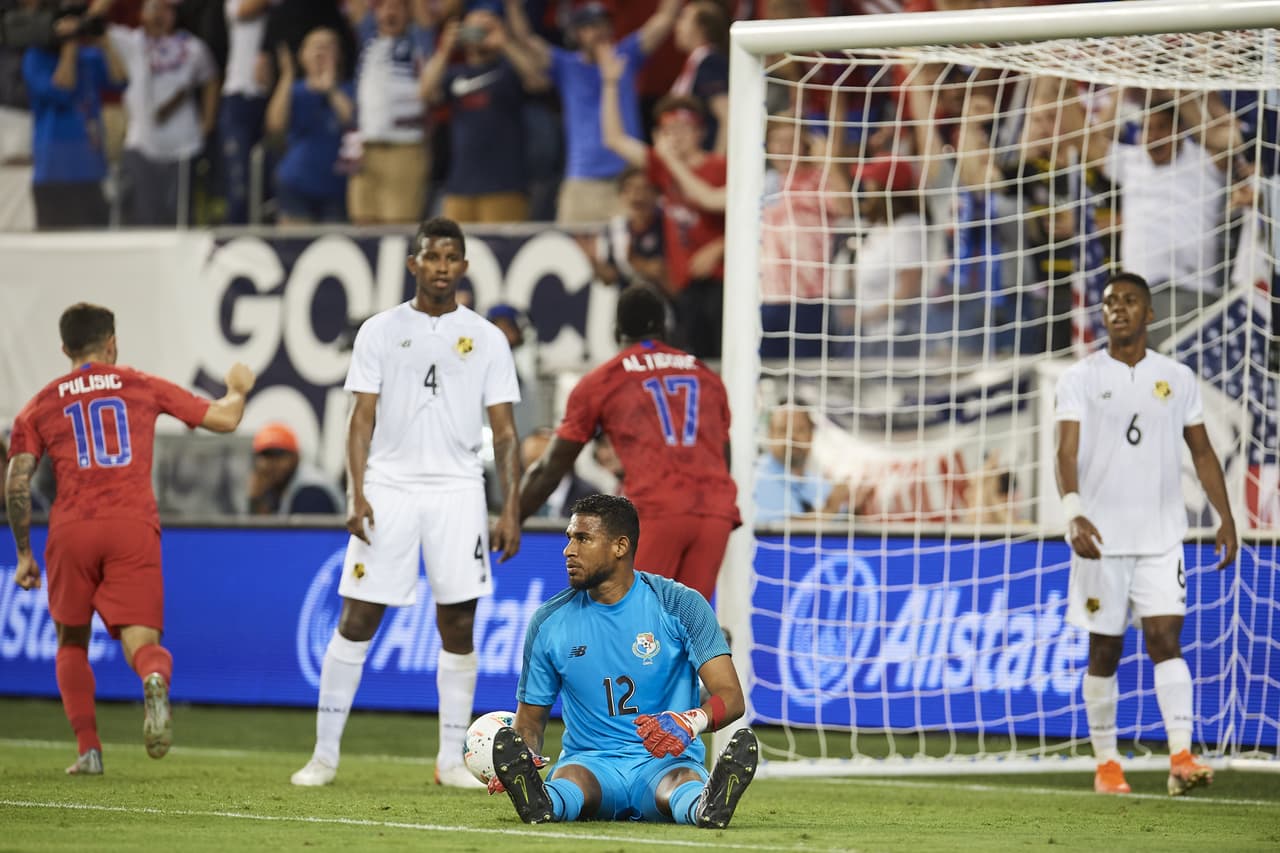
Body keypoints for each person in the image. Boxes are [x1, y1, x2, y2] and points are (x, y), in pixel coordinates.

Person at [291, 216, 523, 789]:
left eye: (452, 258)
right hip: (390, 486)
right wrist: (357, 491)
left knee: (459, 621)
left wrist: (511, 507)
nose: (442, 267)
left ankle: (450, 761)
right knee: (358, 616)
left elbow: (507, 433)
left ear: (464, 267)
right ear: (413, 263)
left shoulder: (487, 338)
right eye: (432, 256)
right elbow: (359, 419)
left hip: (458, 489)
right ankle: (323, 756)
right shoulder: (379, 330)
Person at [5, 302, 254, 775]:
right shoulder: (139, 385)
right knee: (142, 638)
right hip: (131, 524)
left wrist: (23, 554)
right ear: (112, 342)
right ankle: (155, 677)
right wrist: (238, 388)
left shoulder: (39, 405)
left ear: (65, 348)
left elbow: (17, 481)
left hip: (72, 527)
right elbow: (224, 420)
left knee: (71, 640)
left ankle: (89, 750)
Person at [1054, 271, 1237, 797]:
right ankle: (1107, 763)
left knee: (1164, 639)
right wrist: (1073, 511)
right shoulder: (1080, 378)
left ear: (1149, 314)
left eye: (1130, 301)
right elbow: (1065, 452)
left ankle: (1181, 756)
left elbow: (1202, 451)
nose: (1118, 308)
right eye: (1110, 302)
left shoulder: (1176, 378)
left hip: (1162, 537)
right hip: (1100, 541)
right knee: (1104, 651)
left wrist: (1224, 516)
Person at [489, 493, 759, 828]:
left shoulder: (681, 605)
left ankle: (706, 806)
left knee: (679, 783)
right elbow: (529, 722)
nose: (568, 551)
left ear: (620, 547)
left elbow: (731, 697)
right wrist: (524, 758)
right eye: (569, 538)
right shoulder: (548, 623)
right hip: (592, 763)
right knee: (572, 780)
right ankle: (540, 800)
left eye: (583, 539)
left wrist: (692, 721)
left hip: (665, 760)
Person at [520, 283, 739, 602]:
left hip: (658, 509)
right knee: (687, 628)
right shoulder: (705, 375)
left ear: (616, 331)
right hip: (715, 513)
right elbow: (723, 456)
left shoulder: (605, 379)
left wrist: (513, 518)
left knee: (630, 622)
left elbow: (553, 466)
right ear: (666, 327)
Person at [503, 0, 680, 224]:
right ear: (577, 34)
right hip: (582, 181)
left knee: (629, 254)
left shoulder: (626, 55)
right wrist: (513, 7)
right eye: (591, 26)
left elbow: (664, 19)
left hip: (627, 180)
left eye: (605, 25)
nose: (600, 32)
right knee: (572, 254)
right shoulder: (566, 65)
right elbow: (526, 39)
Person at [601, 50, 726, 358]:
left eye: (682, 129)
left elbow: (714, 203)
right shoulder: (664, 167)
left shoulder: (719, 166)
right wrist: (611, 83)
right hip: (683, 286)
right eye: (668, 130)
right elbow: (615, 140)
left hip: (721, 283)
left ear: (700, 131)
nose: (675, 137)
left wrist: (719, 247)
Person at [418, 9, 546, 224]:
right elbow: (425, 93)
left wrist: (505, 43)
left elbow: (537, 81)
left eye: (487, 28)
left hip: (505, 186)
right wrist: (444, 49)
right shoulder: (455, 73)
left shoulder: (509, 71)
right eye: (474, 28)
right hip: (459, 186)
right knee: (455, 252)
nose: (481, 34)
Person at [108, 0, 220, 226]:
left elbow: (211, 78)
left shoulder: (193, 47)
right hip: (141, 143)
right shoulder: (132, 42)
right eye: (155, 8)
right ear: (142, 13)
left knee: (177, 217)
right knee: (143, 215)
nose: (161, 15)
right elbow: (97, 25)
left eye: (167, 9)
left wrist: (208, 120)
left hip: (183, 144)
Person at [22, 1, 126, 228]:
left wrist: (104, 40)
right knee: (56, 255)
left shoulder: (88, 57)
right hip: (54, 174)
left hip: (92, 171)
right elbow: (63, 87)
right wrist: (69, 43)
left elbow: (120, 80)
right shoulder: (35, 58)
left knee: (96, 252)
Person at [265, 27, 354, 224]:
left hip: (336, 188)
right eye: (315, 46)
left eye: (329, 46)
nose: (321, 51)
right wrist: (287, 75)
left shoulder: (349, 89)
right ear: (302, 55)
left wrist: (331, 90)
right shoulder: (294, 91)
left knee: (334, 250)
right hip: (295, 184)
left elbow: (351, 120)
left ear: (339, 55)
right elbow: (275, 125)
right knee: (293, 250)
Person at [753, 403, 849, 523]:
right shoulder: (756, 480)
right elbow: (781, 531)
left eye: (799, 430)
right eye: (783, 430)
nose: (791, 437)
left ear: (811, 436)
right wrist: (830, 509)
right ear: (770, 435)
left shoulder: (821, 486)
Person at [245, 421, 342, 515]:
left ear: (296, 457)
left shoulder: (311, 491)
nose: (272, 464)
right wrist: (257, 501)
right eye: (266, 455)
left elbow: (309, 531)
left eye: (279, 455)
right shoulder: (278, 490)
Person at [519, 428, 601, 519]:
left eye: (540, 461)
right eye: (529, 461)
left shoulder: (589, 497)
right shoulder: (518, 497)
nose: (533, 470)